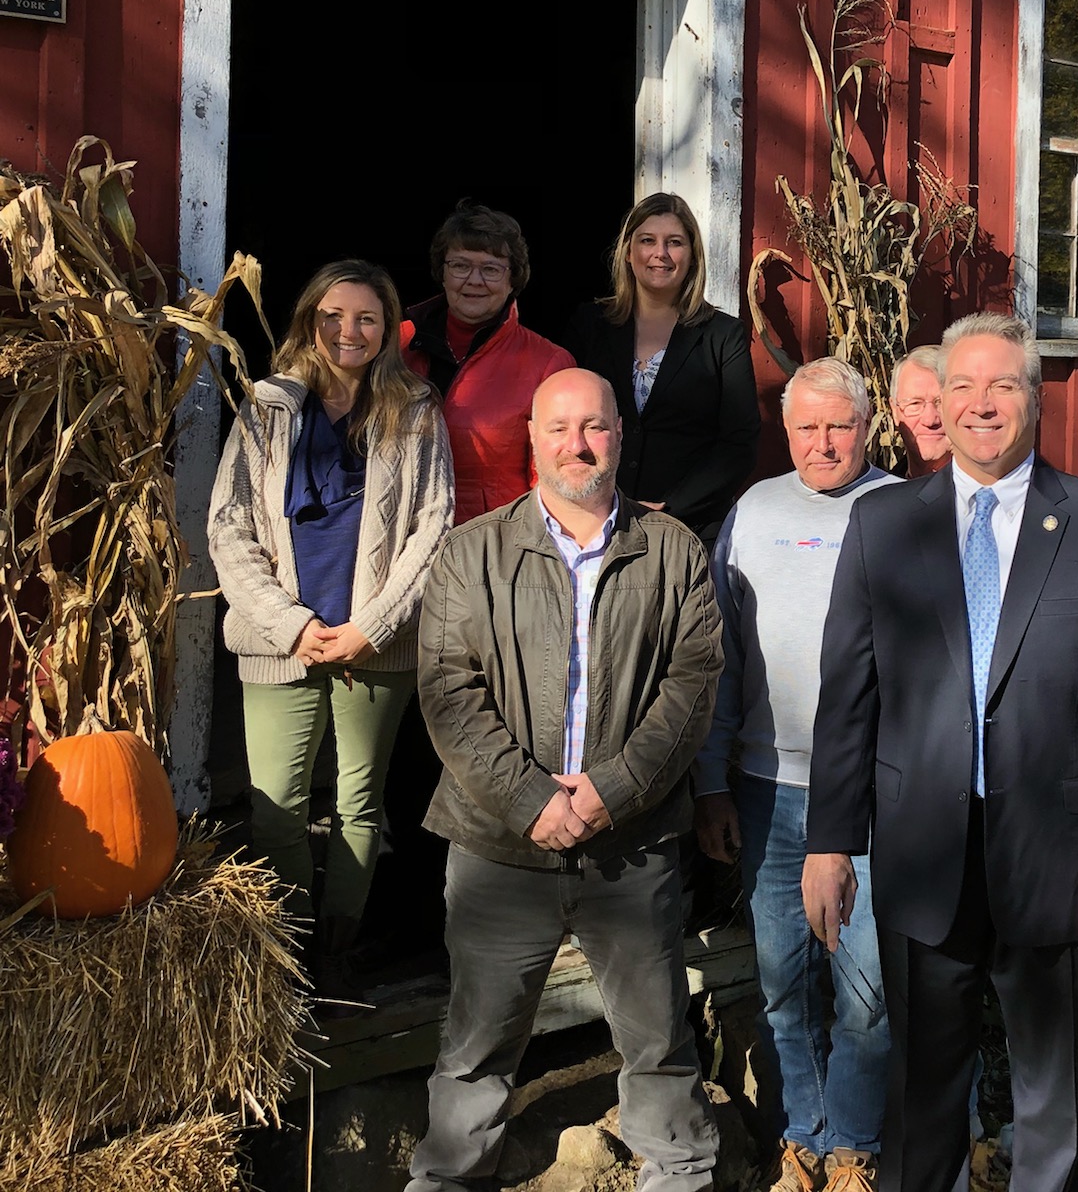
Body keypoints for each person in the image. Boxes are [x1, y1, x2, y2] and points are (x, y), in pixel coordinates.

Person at [804, 312, 1078, 1192]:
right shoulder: (884, 525)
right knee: (923, 1089)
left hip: (1055, 859)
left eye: (1002, 385)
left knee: (1052, 1103)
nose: (980, 404)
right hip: (923, 857)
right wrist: (828, 840)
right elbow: (848, 698)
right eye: (962, 386)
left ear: (1034, 401)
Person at [406, 367, 723, 1192]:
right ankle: (449, 1176)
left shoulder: (674, 551)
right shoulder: (470, 552)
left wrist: (609, 792)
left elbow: (690, 691)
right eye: (559, 428)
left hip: (633, 839)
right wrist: (529, 799)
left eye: (595, 426)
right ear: (533, 440)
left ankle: (681, 1171)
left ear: (620, 434)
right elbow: (446, 690)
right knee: (476, 1044)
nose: (578, 444)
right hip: (498, 845)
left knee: (657, 1037)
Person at [208, 259, 455, 979]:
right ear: (309, 322)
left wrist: (370, 627)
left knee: (359, 804)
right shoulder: (268, 406)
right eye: (333, 317)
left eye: (366, 319)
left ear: (388, 329)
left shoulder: (413, 411)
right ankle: (289, 953)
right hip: (280, 640)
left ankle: (337, 952)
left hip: (373, 645)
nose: (349, 332)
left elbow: (432, 530)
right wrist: (289, 625)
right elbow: (229, 527)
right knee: (277, 807)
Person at [695, 359, 898, 1192]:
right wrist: (711, 781)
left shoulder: (903, 511)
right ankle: (802, 1135)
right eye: (807, 427)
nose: (823, 442)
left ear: (868, 427)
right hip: (766, 784)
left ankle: (853, 1143)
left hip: (876, 791)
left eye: (839, 425)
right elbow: (720, 661)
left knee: (867, 984)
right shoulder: (752, 512)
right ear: (786, 433)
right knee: (784, 978)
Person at [567, 193, 760, 545]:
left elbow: (739, 444)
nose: (661, 253)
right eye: (647, 241)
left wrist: (671, 507)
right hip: (597, 524)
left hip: (691, 528)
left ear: (692, 256)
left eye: (675, 242)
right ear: (628, 252)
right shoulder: (590, 325)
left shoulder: (722, 335)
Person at [400, 202, 574, 524]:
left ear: (513, 281)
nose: (475, 280)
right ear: (442, 271)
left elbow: (554, 483)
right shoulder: (396, 344)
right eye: (461, 265)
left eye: (491, 269)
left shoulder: (548, 363)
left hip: (493, 548)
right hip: (401, 540)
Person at [889, 345, 950, 476]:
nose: (930, 420)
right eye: (915, 403)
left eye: (941, 403)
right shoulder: (880, 493)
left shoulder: (991, 491)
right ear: (894, 411)